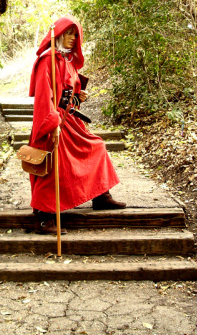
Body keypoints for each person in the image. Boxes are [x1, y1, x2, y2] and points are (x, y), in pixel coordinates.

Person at [28, 15, 126, 233]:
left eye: (76, 34)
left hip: (70, 120)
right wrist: (52, 123)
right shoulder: (48, 60)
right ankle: (45, 218)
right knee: (55, 164)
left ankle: (101, 197)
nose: (73, 38)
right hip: (54, 122)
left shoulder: (67, 61)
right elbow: (44, 97)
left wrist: (76, 97)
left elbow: (67, 91)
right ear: (59, 34)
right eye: (69, 33)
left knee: (97, 146)